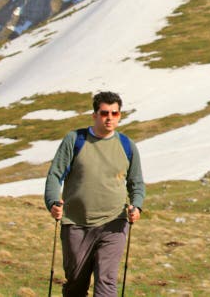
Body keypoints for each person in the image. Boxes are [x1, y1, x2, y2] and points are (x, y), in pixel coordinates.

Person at [44, 91, 145, 297]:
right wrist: (53, 202)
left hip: (114, 223)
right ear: (95, 115)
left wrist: (137, 206)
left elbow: (136, 183)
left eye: (115, 113)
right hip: (76, 223)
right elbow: (55, 175)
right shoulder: (75, 140)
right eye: (105, 113)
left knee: (106, 282)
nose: (109, 118)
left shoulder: (127, 146)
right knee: (76, 284)